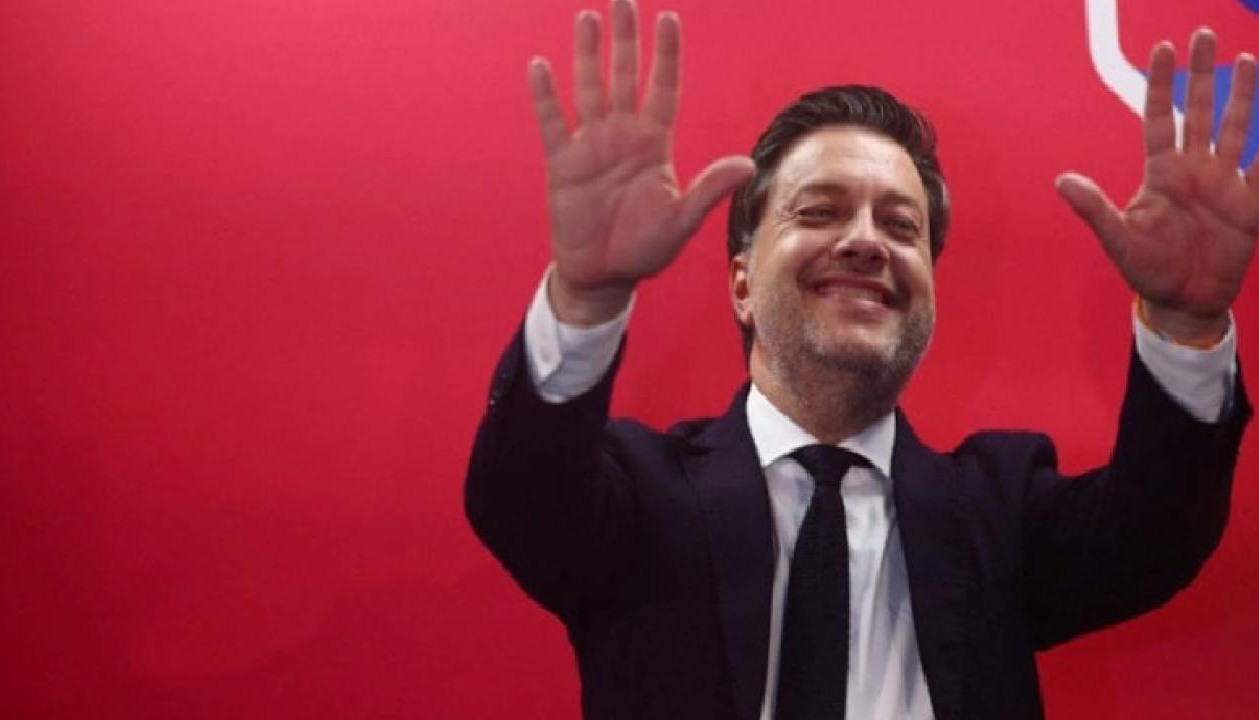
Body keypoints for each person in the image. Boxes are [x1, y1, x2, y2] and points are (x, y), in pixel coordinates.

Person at [464, 1, 1256, 718]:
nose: (867, 241)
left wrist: (1185, 321)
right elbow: (520, 498)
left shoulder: (998, 512)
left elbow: (1154, 534)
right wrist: (588, 296)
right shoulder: (639, 496)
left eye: (902, 226)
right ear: (741, 284)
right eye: (820, 211)